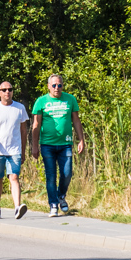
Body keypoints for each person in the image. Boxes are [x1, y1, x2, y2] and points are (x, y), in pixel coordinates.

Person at [30, 73, 85, 217]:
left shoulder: (70, 99)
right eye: (54, 85)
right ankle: (53, 204)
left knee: (67, 173)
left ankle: (61, 196)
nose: (57, 88)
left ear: (62, 86)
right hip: (47, 145)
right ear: (48, 86)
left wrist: (81, 140)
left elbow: (76, 121)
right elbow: (36, 124)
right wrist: (34, 146)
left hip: (65, 143)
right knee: (51, 176)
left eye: (59, 85)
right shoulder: (41, 101)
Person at [0, 81, 30, 220]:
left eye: (10, 89)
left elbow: (23, 131)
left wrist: (23, 150)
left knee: (14, 177)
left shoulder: (19, 108)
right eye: (4, 90)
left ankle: (17, 207)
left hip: (14, 150)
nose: (7, 92)